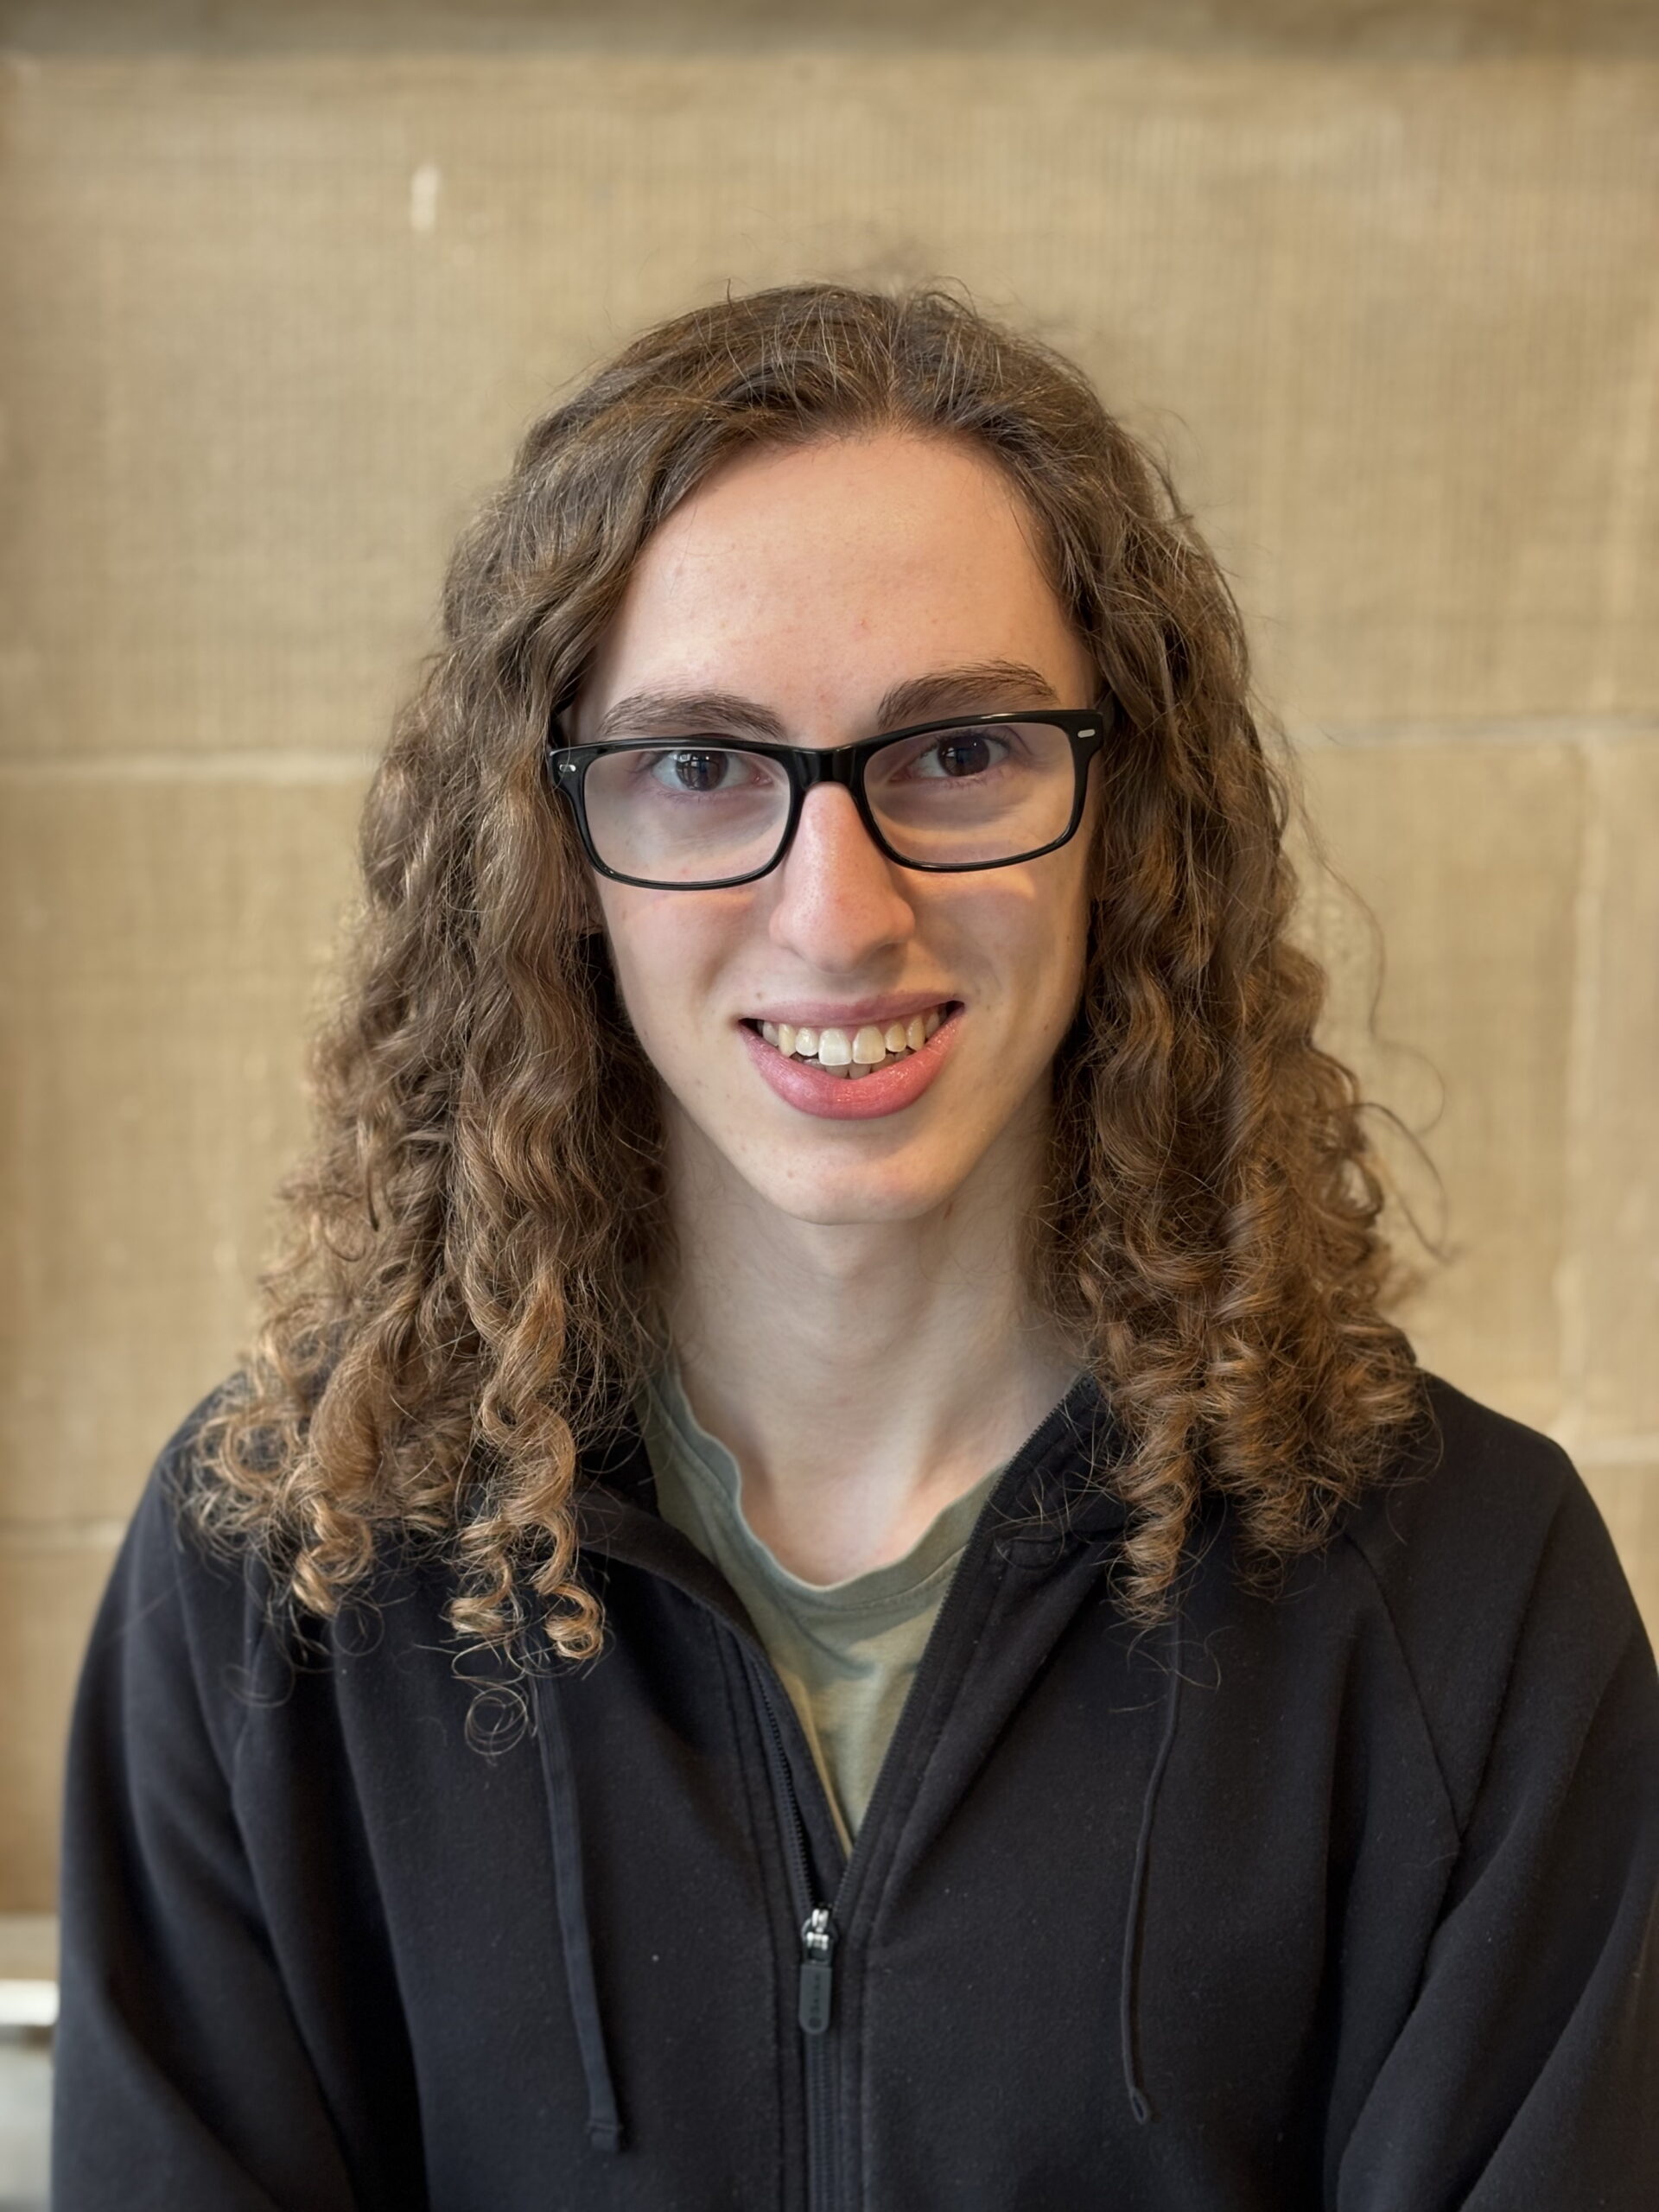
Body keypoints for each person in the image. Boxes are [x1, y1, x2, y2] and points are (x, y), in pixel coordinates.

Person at [53, 284, 1657, 2210]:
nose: (839, 910)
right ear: (549, 854)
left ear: (1120, 815)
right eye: (705, 764)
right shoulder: (276, 1581)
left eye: (959, 750)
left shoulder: (1466, 1593)